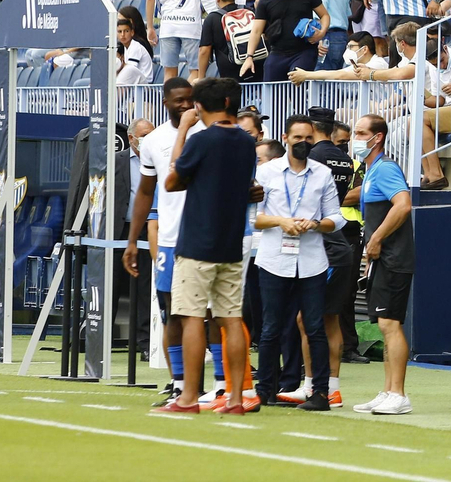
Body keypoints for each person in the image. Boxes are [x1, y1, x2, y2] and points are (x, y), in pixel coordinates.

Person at [152, 79, 256, 415]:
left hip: (197, 240)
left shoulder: (200, 139)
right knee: (230, 319)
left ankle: (187, 399)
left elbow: (171, 180)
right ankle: (237, 399)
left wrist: (182, 132)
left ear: (200, 106)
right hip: (231, 241)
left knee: (192, 318)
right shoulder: (246, 141)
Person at [252, 114, 343, 413]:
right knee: (271, 328)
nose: (303, 143)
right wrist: (282, 221)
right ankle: (265, 389)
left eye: (308, 138)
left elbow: (336, 217)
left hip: (311, 259)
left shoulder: (322, 173)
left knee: (315, 327)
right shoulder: (267, 173)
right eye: (297, 138)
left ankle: (320, 393)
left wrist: (315, 224)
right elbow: (256, 218)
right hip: (274, 258)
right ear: (286, 138)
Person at [124, 78, 203, 407]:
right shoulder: (153, 141)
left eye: (189, 100)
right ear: (165, 102)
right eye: (178, 100)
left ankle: (217, 385)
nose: (185, 105)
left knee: (209, 314)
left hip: (205, 236)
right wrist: (132, 240)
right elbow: (145, 191)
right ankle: (179, 381)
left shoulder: (206, 134)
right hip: (170, 241)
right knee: (172, 313)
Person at [353, 114, 415, 415]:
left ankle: (399, 394)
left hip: (393, 258)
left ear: (377, 138)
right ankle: (389, 390)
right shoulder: (372, 170)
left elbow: (403, 204)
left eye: (361, 133)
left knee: (391, 324)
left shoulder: (386, 169)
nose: (356, 138)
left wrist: (376, 239)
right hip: (383, 259)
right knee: (383, 324)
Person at [241, 0, 328, 81]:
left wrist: (322, 32)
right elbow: (256, 31)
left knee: (297, 84)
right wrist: (249, 56)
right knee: (271, 89)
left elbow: (324, 15)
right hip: (278, 52)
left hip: (304, 50)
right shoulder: (266, 1)